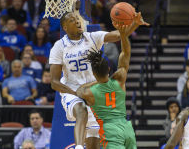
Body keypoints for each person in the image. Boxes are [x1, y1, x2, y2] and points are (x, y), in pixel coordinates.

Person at [50, 11, 147, 149]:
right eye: (72, 20)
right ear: (65, 27)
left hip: (93, 91)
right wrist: (74, 93)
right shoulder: (59, 46)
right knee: (81, 109)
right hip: (71, 91)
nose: (77, 21)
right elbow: (54, 82)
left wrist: (134, 24)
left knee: (94, 141)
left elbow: (120, 35)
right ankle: (78, 146)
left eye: (77, 18)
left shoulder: (92, 37)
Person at [76, 20, 138, 149]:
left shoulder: (90, 93)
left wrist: (95, 81)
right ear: (109, 69)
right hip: (126, 128)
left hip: (110, 131)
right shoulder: (119, 80)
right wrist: (124, 35)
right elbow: (125, 54)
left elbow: (79, 90)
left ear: (93, 73)